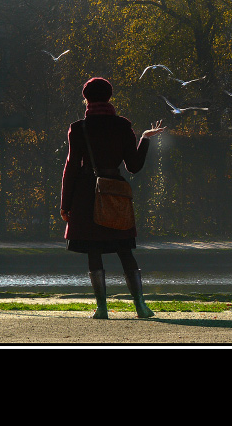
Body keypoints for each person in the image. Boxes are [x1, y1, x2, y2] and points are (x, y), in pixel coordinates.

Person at [60, 77, 165, 319]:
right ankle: (141, 306)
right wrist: (146, 138)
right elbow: (134, 166)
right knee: (124, 249)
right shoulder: (122, 126)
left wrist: (66, 204)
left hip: (86, 193)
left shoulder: (79, 128)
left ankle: (102, 308)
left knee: (93, 249)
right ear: (109, 97)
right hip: (115, 192)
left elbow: (71, 167)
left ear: (86, 98)